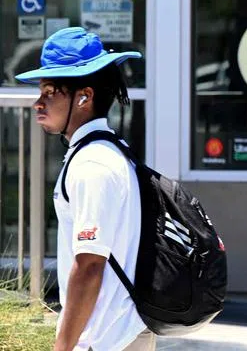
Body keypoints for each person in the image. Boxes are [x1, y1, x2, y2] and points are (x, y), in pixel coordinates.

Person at [17, 27, 151, 351]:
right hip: (115, 334)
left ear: (84, 97)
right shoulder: (109, 149)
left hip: (108, 339)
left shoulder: (93, 164)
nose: (38, 103)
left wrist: (63, 346)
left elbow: (90, 266)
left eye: (50, 92)